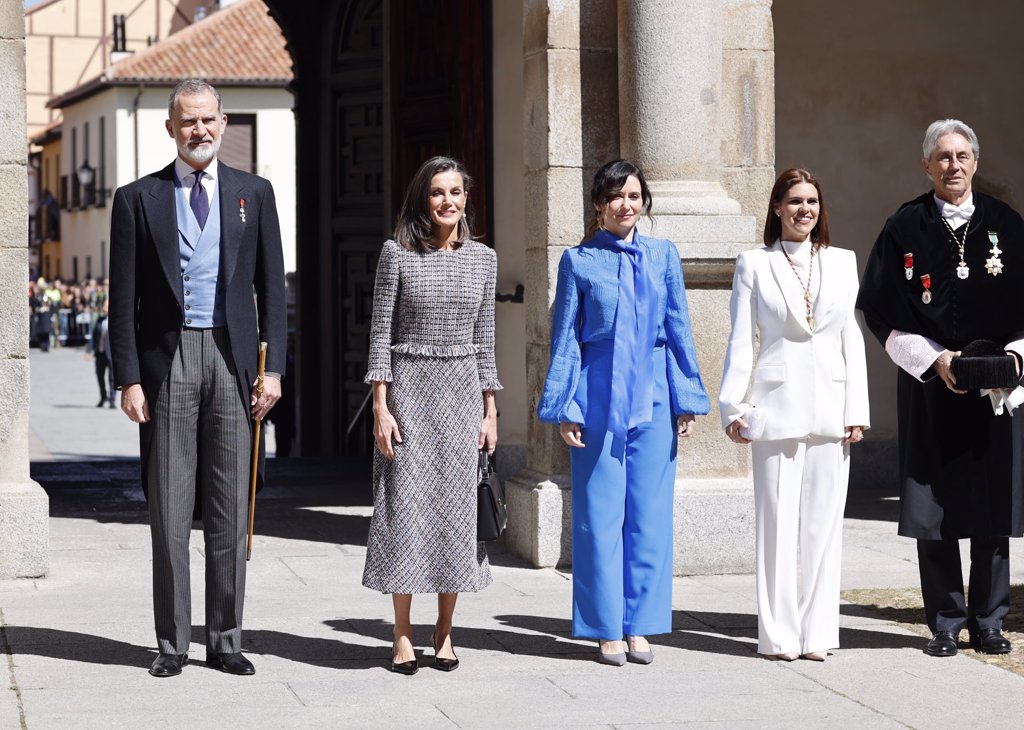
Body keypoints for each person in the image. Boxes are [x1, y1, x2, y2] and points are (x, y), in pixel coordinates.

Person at [108, 78, 286, 678]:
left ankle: (227, 638)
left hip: (233, 361)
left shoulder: (254, 194)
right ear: (171, 129)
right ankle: (172, 643)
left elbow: (272, 291)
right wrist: (129, 378)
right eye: (188, 122)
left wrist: (276, 369)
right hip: (167, 364)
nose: (200, 131)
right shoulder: (137, 199)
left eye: (208, 120)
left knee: (231, 508)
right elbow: (122, 300)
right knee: (168, 509)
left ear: (223, 122)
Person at [857, 119, 1024, 658]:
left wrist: (1015, 360)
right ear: (926, 165)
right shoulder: (905, 226)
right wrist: (935, 360)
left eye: (962, 155)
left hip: (997, 393)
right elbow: (879, 311)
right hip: (933, 387)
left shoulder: (1007, 223)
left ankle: (990, 620)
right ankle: (946, 621)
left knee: (994, 506)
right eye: (943, 157)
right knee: (936, 508)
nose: (954, 165)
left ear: (976, 162)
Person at [538, 159, 709, 666]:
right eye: (615, 196)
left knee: (650, 514)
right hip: (597, 390)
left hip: (655, 389)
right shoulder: (578, 261)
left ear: (643, 202)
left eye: (634, 196)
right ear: (598, 204)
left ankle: (640, 625)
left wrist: (685, 398)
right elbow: (565, 338)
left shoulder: (663, 256)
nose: (625, 205)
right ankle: (604, 625)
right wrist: (566, 404)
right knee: (598, 513)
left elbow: (679, 329)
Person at [720, 168, 870, 661]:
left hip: (832, 407)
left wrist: (857, 409)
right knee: (777, 528)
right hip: (774, 408)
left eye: (812, 201)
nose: (805, 209)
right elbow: (742, 341)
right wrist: (733, 408)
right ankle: (779, 636)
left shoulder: (844, 262)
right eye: (795, 201)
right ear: (778, 207)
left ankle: (819, 633)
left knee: (824, 530)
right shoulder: (753, 263)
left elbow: (851, 337)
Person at [362, 156, 501, 675]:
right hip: (409, 395)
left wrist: (490, 410)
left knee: (454, 515)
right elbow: (379, 337)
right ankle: (401, 635)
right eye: (438, 193)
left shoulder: (484, 260)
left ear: (467, 199)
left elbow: (485, 340)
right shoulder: (396, 254)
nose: (448, 202)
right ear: (424, 199)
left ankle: (443, 632)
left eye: (457, 193)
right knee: (403, 513)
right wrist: (381, 406)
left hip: (463, 394)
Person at [87, 300, 115, 408]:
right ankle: (103, 397)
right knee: (100, 377)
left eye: (105, 306)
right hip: (100, 353)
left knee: (112, 379)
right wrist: (89, 350)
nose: (103, 308)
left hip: (111, 355)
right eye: (103, 305)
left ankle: (112, 400)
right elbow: (94, 336)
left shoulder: (115, 321)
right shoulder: (99, 320)